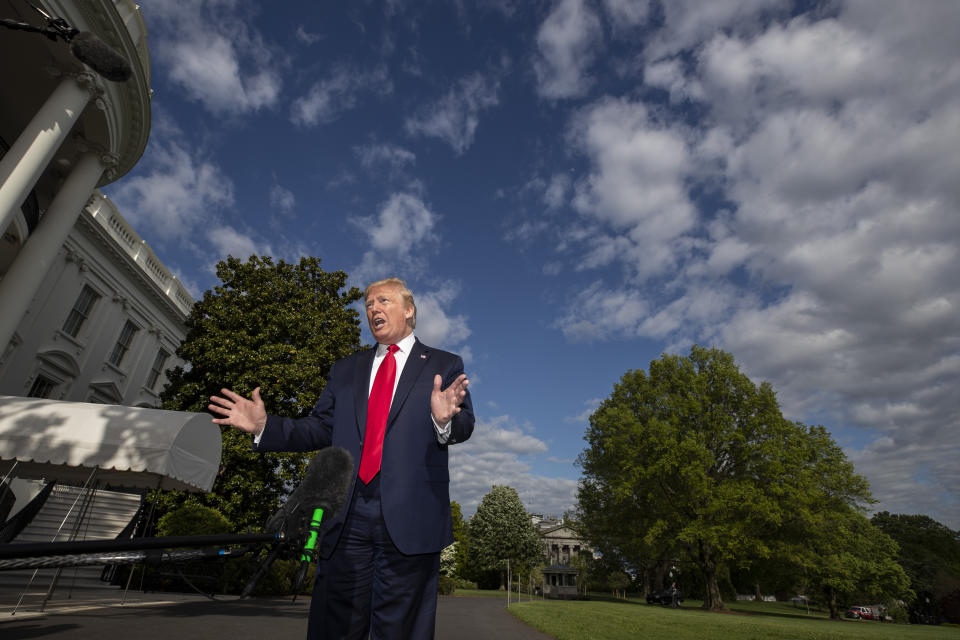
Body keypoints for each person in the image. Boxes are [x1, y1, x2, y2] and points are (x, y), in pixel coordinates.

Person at [209, 277, 474, 639]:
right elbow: (319, 428)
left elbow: (464, 425)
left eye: (383, 300)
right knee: (336, 624)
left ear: (409, 310)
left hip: (411, 517)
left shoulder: (443, 364)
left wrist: (443, 420)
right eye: (368, 304)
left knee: (401, 628)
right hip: (347, 514)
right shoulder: (345, 369)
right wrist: (266, 427)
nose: (373, 308)